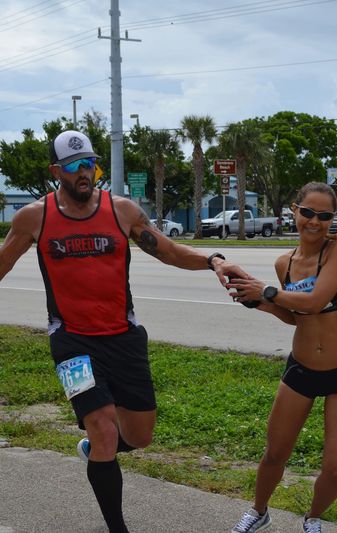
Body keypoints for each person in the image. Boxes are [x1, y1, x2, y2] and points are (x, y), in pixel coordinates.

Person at [0, 130, 246, 533]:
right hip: (71, 341)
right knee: (103, 429)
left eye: (90, 164)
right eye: (74, 166)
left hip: (123, 336)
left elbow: (167, 250)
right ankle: (117, 526)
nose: (85, 173)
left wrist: (213, 260)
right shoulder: (35, 217)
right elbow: (3, 262)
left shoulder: (122, 211)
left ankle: (97, 450)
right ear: (56, 171)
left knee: (141, 435)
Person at [228, 182, 337, 533]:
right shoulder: (283, 263)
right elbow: (295, 314)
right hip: (301, 368)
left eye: (324, 216)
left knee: (336, 467)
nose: (315, 222)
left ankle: (312, 518)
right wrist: (260, 302)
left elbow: (316, 300)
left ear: (332, 219)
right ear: (294, 210)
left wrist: (267, 291)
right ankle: (258, 511)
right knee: (275, 453)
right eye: (308, 213)